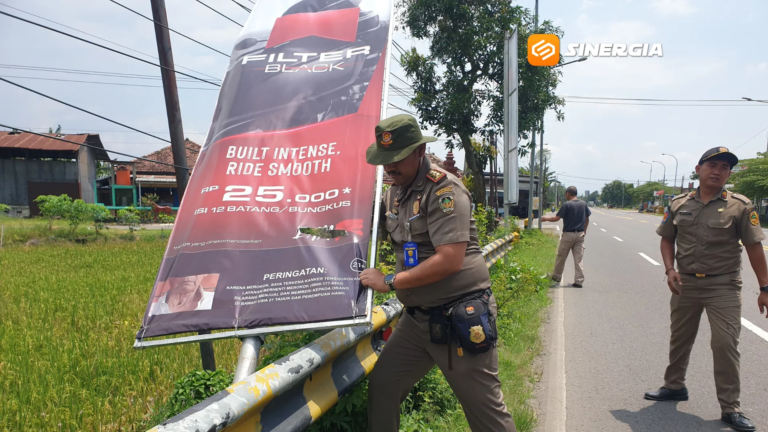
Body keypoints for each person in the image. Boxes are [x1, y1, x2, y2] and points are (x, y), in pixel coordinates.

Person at [359, 114, 516, 432]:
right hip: (417, 319)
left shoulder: (444, 189)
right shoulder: (394, 192)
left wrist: (389, 281)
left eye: (398, 158)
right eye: (386, 159)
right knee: (383, 387)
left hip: (458, 317)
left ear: (419, 151)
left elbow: (450, 260)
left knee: (485, 413)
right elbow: (371, 229)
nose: (390, 167)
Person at [644, 147, 768, 432]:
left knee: (725, 344)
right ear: (698, 170)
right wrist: (669, 270)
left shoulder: (740, 205)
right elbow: (667, 239)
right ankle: (674, 386)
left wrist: (765, 287)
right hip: (685, 283)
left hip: (723, 285)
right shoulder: (678, 203)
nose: (718, 171)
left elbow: (754, 247)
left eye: (724, 167)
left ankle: (730, 407)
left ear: (729, 174)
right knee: (680, 337)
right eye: (712, 165)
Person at [541, 186, 591, 288]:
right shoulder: (583, 204)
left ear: (568, 193)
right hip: (580, 235)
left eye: (565, 194)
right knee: (578, 259)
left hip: (568, 235)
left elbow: (556, 218)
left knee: (561, 256)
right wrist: (584, 231)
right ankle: (579, 281)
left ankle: (556, 277)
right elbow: (587, 219)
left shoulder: (567, 205)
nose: (565, 196)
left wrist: (545, 218)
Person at [149, 275, 215, 315]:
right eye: (182, 269)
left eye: (196, 268)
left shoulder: (216, 304)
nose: (188, 276)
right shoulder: (152, 311)